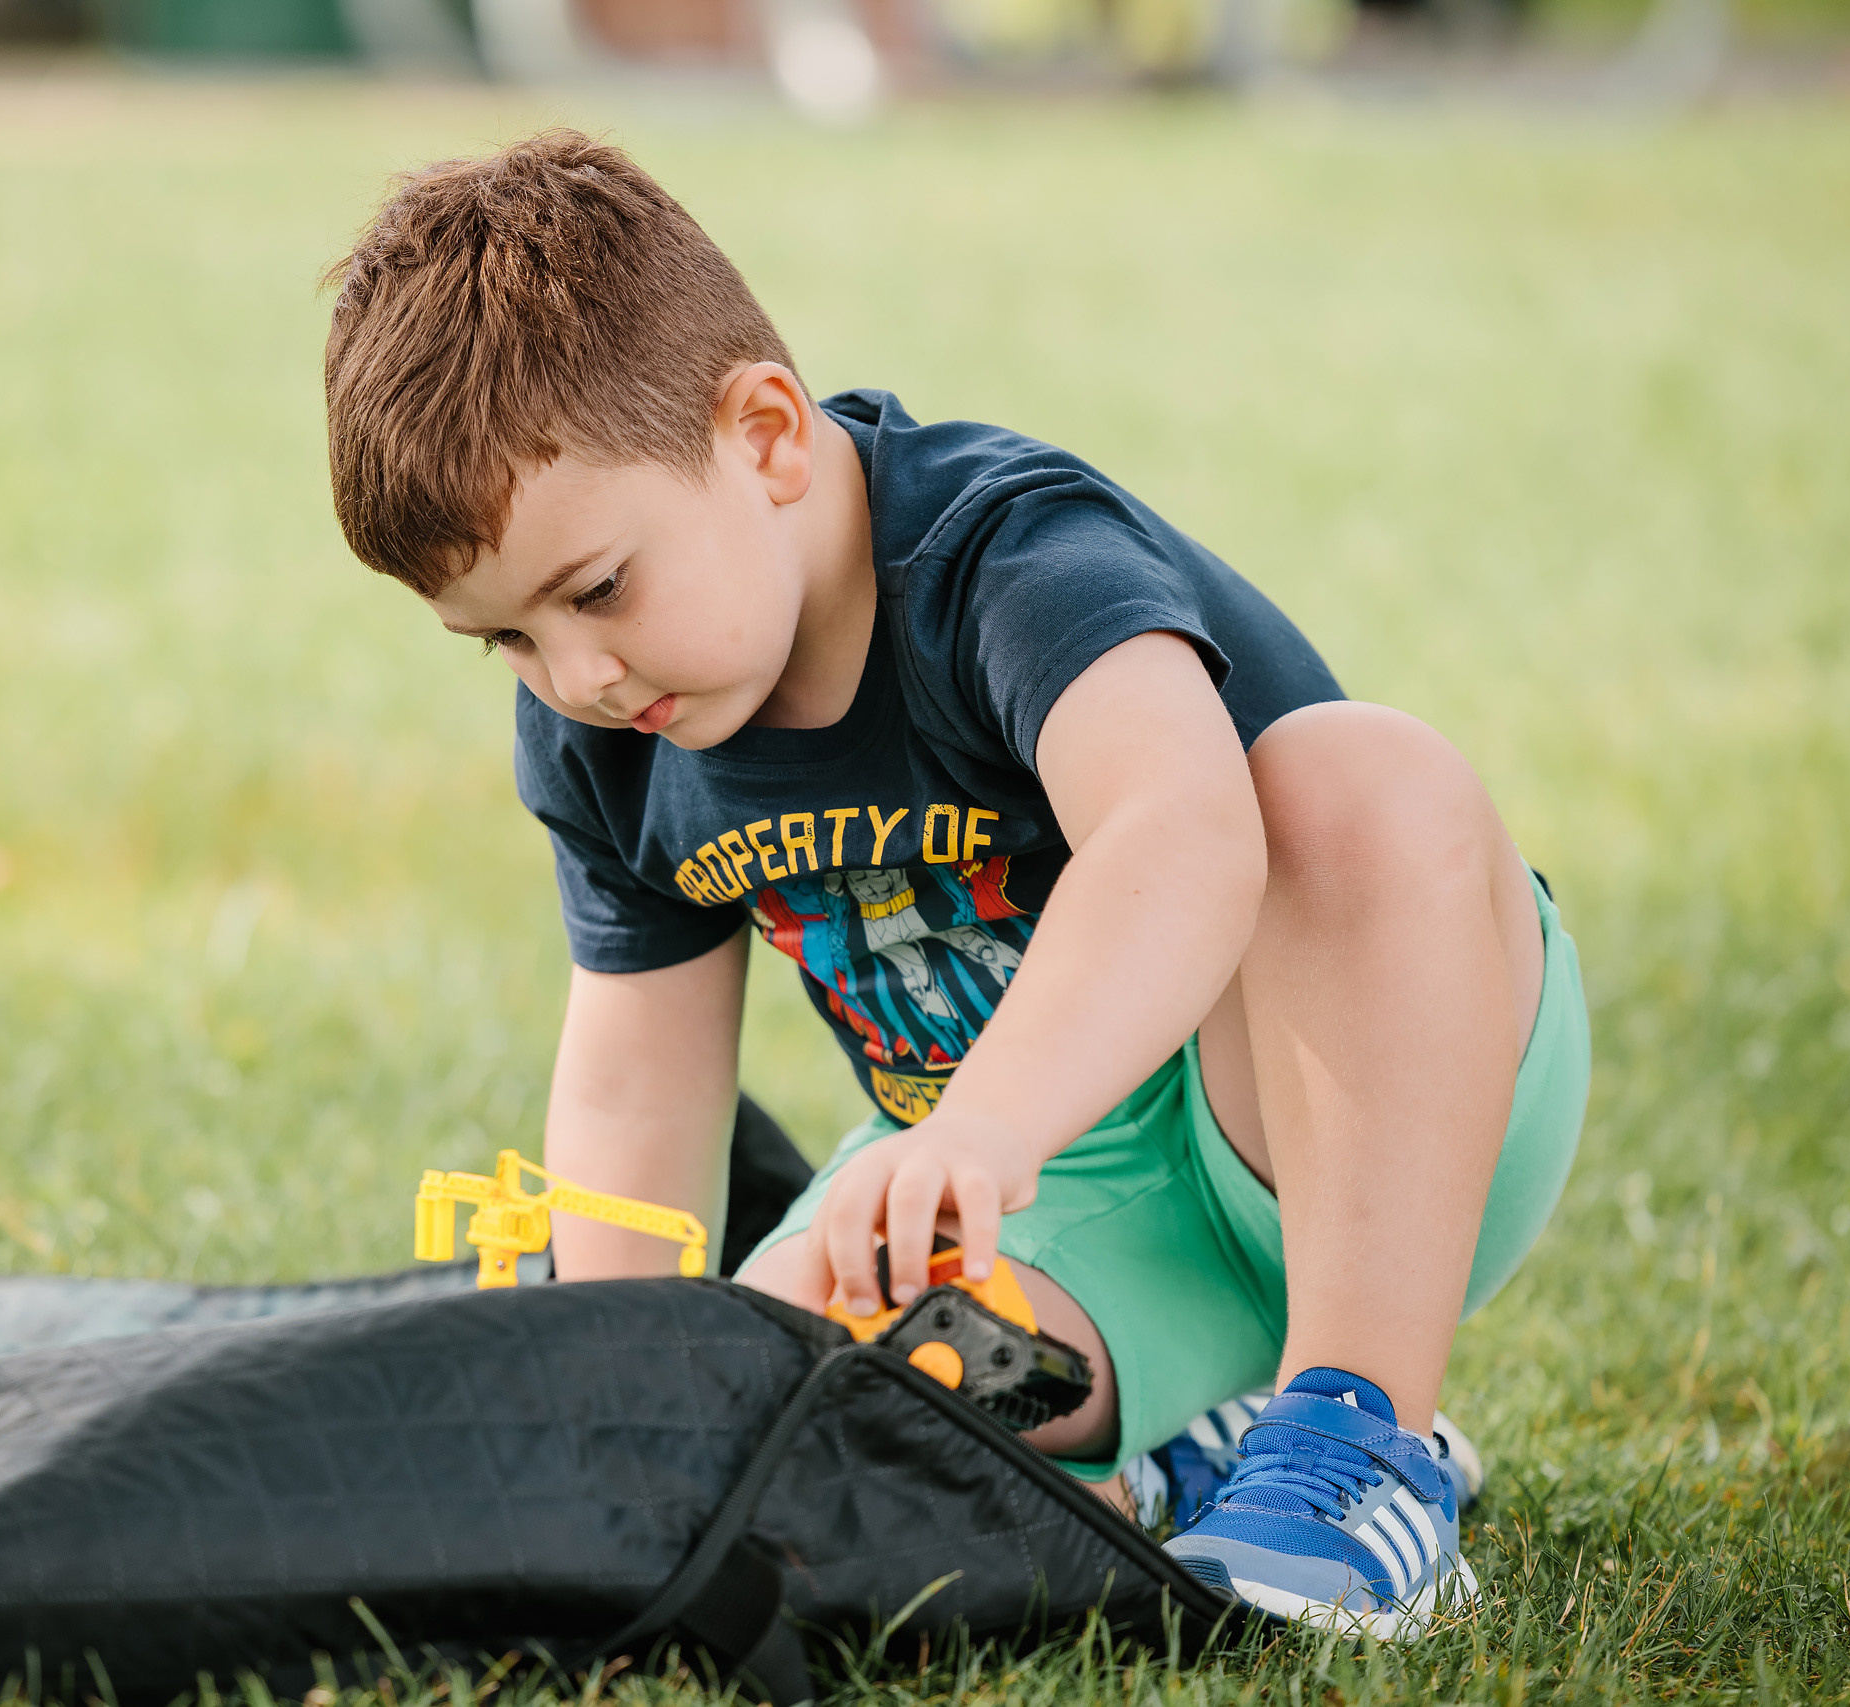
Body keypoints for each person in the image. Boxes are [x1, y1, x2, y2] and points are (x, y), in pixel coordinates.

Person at [320, 130, 1588, 1637]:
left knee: (1348, 779)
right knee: (781, 1387)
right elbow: (634, 1079)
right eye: (507, 640)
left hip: (1345, 1104)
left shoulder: (1000, 554)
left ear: (770, 438)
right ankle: (1192, 1450)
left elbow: (1185, 836)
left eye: (596, 590)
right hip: (1064, 1216)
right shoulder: (609, 731)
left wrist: (984, 1129)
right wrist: (632, 1377)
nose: (574, 673)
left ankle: (1362, 1427)